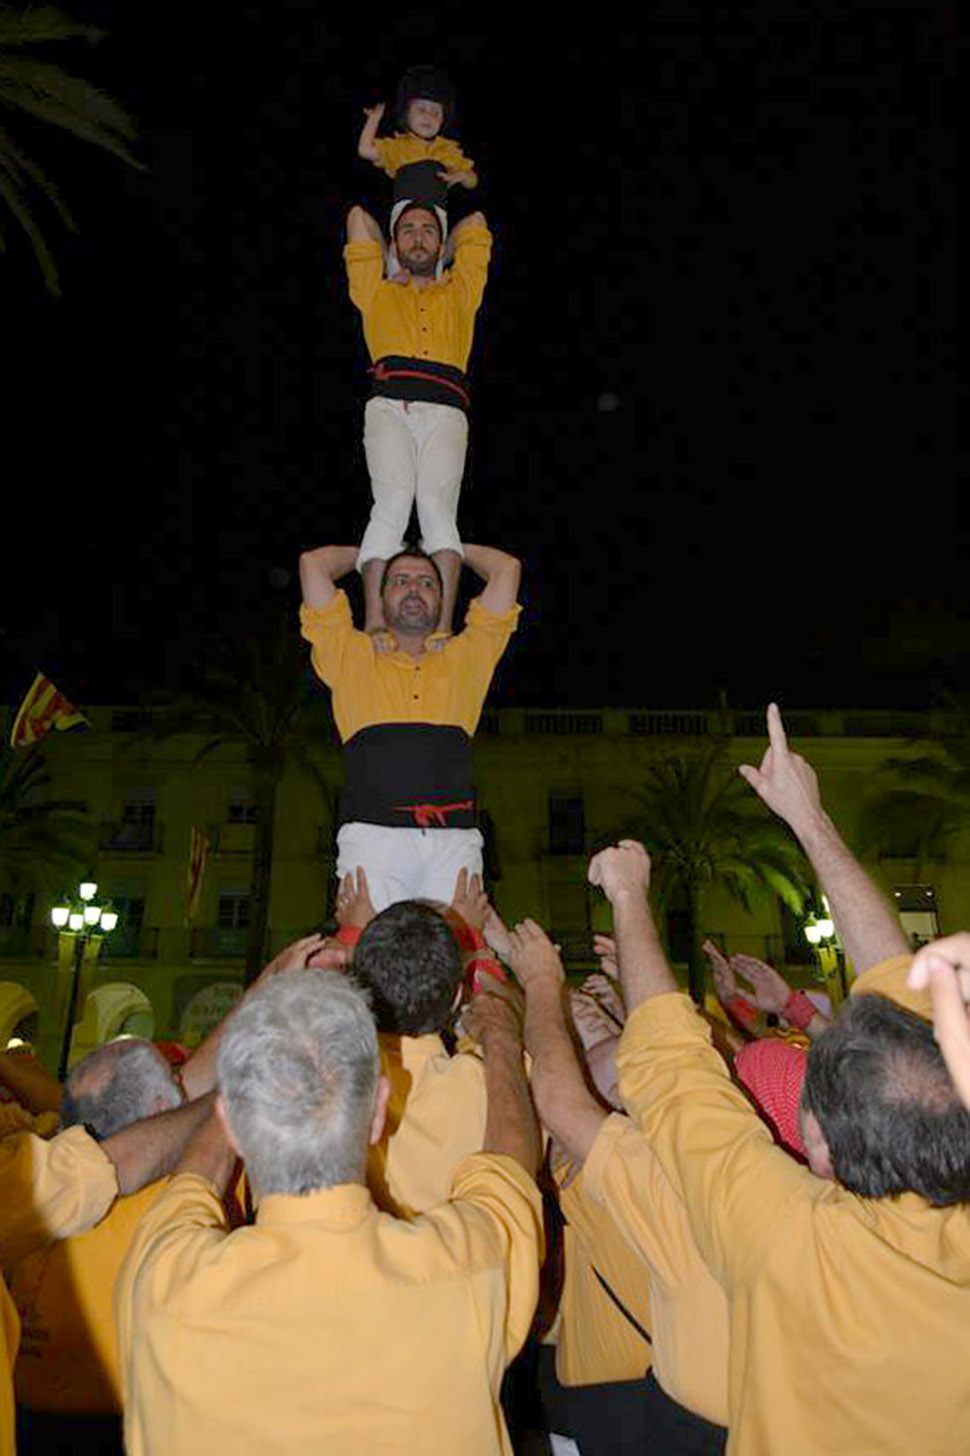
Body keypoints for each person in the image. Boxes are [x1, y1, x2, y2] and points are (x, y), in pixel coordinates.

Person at [592, 704, 970, 1454]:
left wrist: (631, 895)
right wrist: (810, 819)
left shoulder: (786, 1240)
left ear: (820, 1145)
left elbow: (670, 1068)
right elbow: (897, 980)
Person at [115, 969, 543, 1456]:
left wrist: (244, 1095)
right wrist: (503, 1040)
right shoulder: (467, 1265)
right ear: (379, 1112)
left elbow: (193, 1184)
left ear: (232, 1124)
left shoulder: (163, 1280)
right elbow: (509, 1165)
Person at [299, 540, 520, 908]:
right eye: (400, 580)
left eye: (428, 583)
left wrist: (446, 546)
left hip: (454, 839)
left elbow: (507, 568)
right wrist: (376, 549)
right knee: (370, 953)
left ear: (442, 600)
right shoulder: (350, 654)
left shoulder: (468, 656)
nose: (415, 588)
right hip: (372, 836)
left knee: (457, 955)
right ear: (380, 597)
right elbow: (313, 564)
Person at [0, 1090, 217, 1456]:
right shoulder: (178, 1193)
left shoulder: (32, 1156)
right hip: (128, 1419)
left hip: (27, 1412)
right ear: (161, 1108)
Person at [343, 186, 491, 633]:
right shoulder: (375, 289)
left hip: (447, 411)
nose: (418, 238)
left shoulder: (462, 290)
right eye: (407, 231)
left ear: (442, 245)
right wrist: (389, 260)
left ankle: (443, 626)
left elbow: (477, 221)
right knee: (391, 503)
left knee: (435, 507)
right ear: (393, 244)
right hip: (389, 407)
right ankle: (374, 622)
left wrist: (446, 250)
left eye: (428, 231)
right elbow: (356, 214)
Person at [357, 65, 478, 194]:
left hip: (437, 212)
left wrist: (463, 176)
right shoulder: (397, 147)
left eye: (436, 112)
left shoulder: (447, 150)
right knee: (357, 213)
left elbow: (473, 181)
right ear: (407, 113)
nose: (428, 116)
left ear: (443, 120)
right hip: (405, 210)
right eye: (421, 109)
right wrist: (373, 120)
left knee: (478, 215)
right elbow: (365, 150)